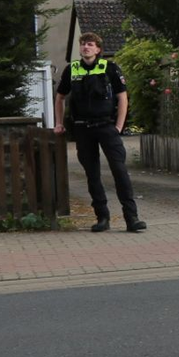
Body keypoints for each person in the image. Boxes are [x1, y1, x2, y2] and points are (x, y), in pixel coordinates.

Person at [54, 32, 147, 233]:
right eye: (83, 44)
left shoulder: (110, 68)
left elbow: (123, 97)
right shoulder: (72, 69)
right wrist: (59, 123)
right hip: (82, 128)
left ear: (98, 49)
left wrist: (118, 127)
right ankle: (102, 217)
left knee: (119, 171)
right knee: (92, 174)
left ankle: (131, 218)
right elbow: (60, 97)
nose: (85, 47)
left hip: (106, 126)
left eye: (90, 44)